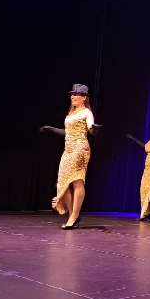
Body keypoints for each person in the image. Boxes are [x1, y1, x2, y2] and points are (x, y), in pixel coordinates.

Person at [39, 83, 100, 229]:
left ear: (84, 97)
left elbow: (91, 127)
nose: (72, 96)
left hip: (80, 149)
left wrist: (94, 130)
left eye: (76, 94)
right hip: (68, 150)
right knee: (63, 183)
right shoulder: (71, 113)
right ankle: (73, 215)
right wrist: (51, 128)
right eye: (72, 94)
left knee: (77, 181)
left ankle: (74, 216)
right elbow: (68, 132)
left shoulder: (87, 113)